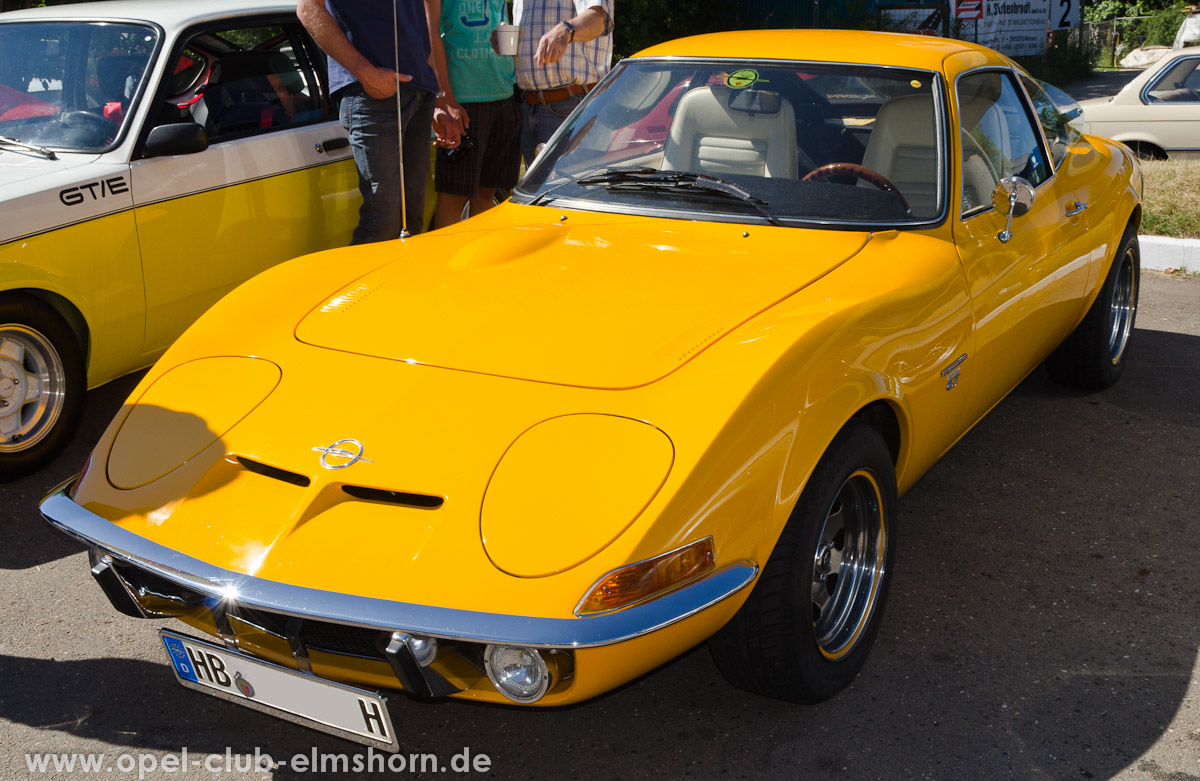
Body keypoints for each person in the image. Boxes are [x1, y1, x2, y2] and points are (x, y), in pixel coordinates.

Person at [298, 0, 439, 244]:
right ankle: (361, 284)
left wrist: (434, 81)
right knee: (383, 222)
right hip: (372, 93)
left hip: (419, 89)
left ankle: (403, 283)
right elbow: (308, 8)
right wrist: (364, 71)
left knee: (411, 221)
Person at [426, 0, 522, 229]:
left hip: (505, 93)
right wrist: (445, 98)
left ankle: (485, 261)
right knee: (453, 194)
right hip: (463, 101)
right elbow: (428, 35)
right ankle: (445, 262)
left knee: (488, 191)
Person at [506, 0, 614, 166]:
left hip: (573, 107)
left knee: (575, 191)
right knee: (539, 192)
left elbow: (597, 20)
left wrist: (567, 29)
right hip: (530, 108)